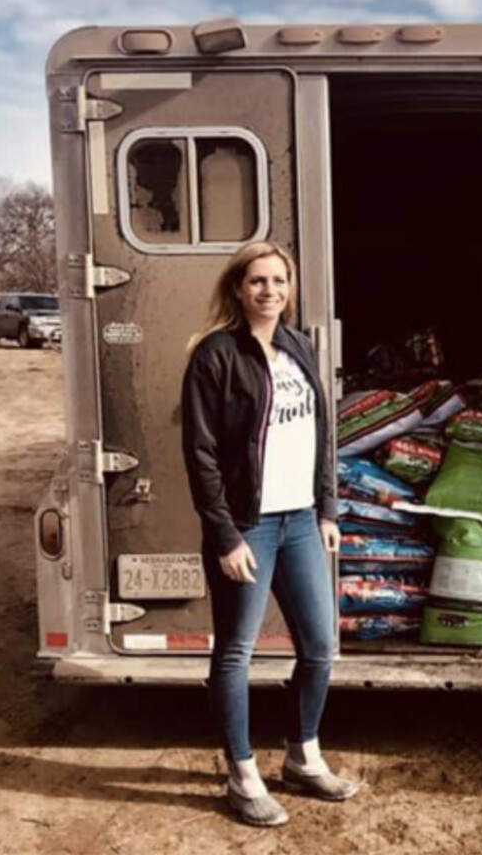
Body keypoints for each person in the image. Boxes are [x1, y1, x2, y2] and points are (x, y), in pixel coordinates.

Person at [181, 240, 358, 827]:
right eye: (257, 281)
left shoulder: (299, 347)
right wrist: (226, 536)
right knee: (235, 653)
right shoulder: (215, 355)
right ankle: (242, 772)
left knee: (320, 647)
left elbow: (322, 435)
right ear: (238, 289)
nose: (269, 291)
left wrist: (327, 511)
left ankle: (303, 756)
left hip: (302, 521)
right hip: (249, 527)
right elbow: (201, 455)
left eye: (279, 280)